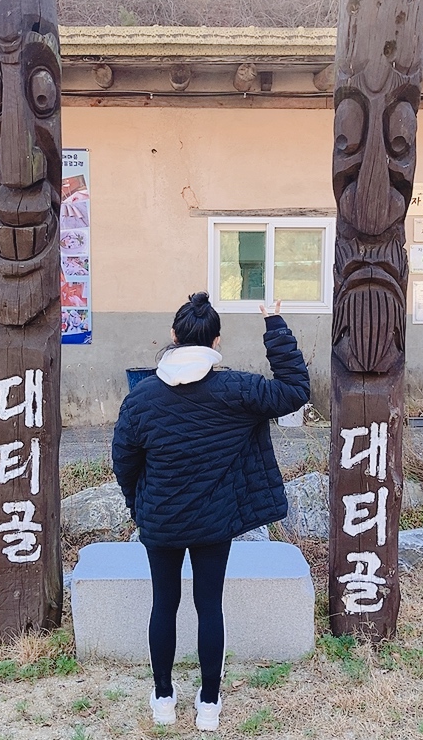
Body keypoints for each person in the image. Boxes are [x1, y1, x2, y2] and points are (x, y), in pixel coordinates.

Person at [112, 291, 309, 731]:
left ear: (172, 336)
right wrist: (274, 322)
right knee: (208, 606)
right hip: (214, 520)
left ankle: (163, 699)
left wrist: (138, 504)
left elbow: (124, 461)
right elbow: (295, 389)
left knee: (164, 603)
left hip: (159, 520)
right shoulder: (238, 390)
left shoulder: (142, 398)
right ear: (216, 342)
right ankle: (209, 704)